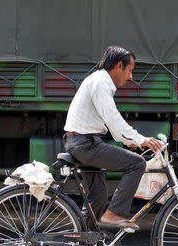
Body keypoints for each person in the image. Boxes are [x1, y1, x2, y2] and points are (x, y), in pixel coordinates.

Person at [64, 46, 162, 231]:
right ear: (119, 65)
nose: (131, 77)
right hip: (86, 144)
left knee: (98, 198)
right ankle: (114, 213)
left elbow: (113, 123)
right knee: (137, 164)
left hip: (84, 142)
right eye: (130, 70)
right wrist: (140, 139)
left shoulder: (99, 81)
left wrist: (133, 140)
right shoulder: (101, 82)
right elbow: (113, 119)